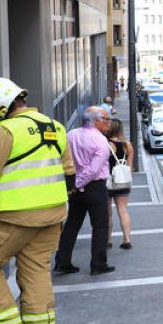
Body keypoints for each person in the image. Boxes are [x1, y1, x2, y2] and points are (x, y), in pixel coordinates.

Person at [0, 76, 75, 324]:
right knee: (36, 267)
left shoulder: (5, 131)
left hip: (9, 217)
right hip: (52, 215)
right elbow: (69, 174)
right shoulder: (55, 127)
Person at [53, 106, 114, 277]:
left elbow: (62, 159)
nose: (109, 122)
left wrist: (73, 185)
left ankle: (62, 262)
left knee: (71, 225)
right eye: (106, 119)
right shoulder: (100, 140)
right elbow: (93, 170)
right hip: (94, 187)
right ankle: (98, 264)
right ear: (95, 121)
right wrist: (79, 183)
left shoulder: (70, 135)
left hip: (75, 188)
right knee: (100, 226)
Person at [103, 118, 134, 250]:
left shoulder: (106, 144)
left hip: (108, 182)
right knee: (123, 210)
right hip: (123, 181)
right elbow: (129, 166)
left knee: (108, 213)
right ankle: (127, 240)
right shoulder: (128, 145)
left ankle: (108, 240)